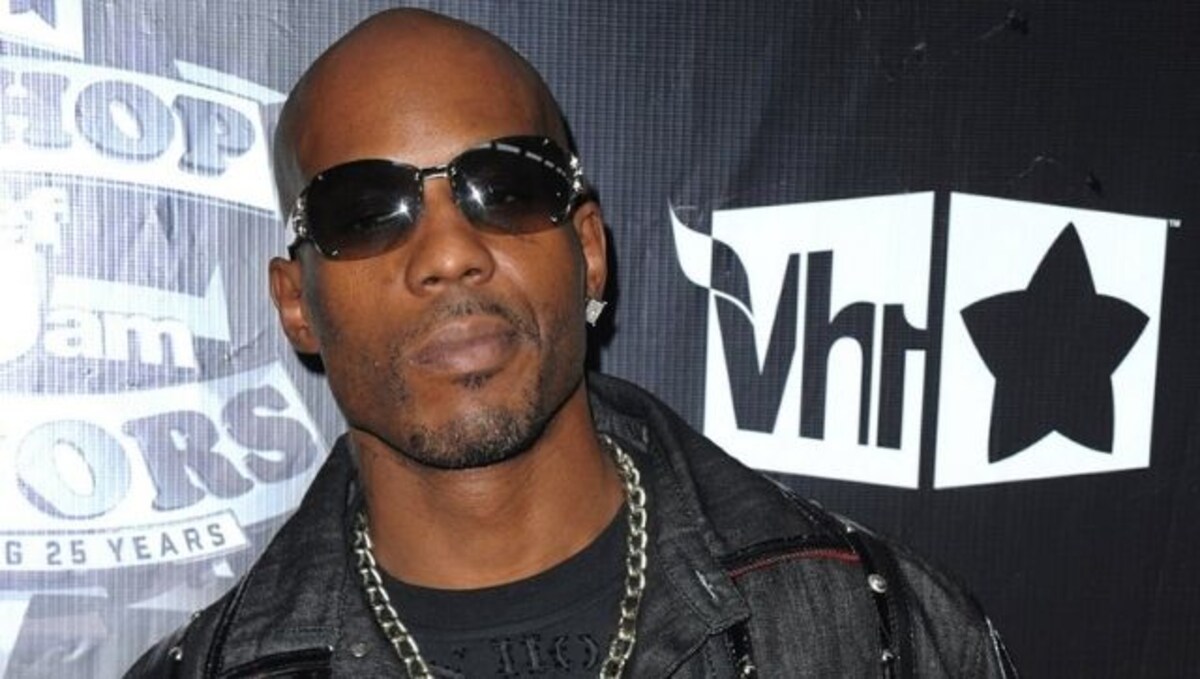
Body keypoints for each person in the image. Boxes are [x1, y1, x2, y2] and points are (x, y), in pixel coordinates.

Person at [127, 8, 1015, 678]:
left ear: (588, 250)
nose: (448, 254)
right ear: (296, 304)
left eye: (507, 186)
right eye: (363, 212)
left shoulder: (878, 630)